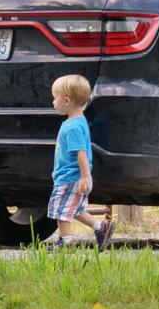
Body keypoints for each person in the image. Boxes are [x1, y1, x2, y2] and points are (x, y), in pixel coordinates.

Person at [46, 73, 111, 251]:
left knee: (61, 210)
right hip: (69, 174)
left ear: (66, 101)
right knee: (74, 209)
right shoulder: (76, 122)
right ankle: (100, 227)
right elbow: (66, 153)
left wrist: (84, 176)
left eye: (55, 98)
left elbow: (81, 153)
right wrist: (57, 169)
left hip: (72, 177)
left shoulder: (73, 127)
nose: (53, 103)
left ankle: (65, 242)